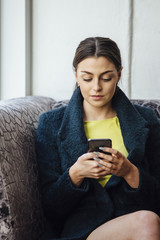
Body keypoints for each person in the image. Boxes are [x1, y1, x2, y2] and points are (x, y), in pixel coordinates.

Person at [36, 37, 160, 240]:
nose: (96, 88)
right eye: (87, 78)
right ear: (75, 74)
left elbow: (156, 198)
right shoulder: (51, 124)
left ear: (119, 74)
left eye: (106, 78)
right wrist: (75, 175)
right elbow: (50, 209)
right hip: (82, 231)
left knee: (147, 222)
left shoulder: (147, 120)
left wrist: (129, 171)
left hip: (136, 224)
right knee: (146, 223)